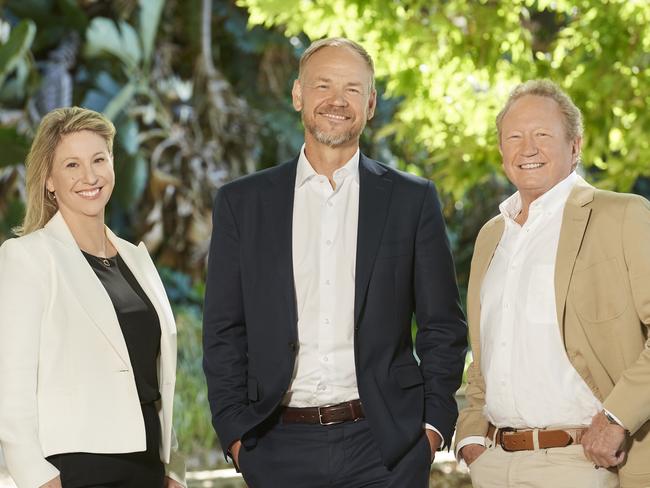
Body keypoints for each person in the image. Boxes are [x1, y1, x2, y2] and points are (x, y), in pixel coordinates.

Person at [202, 37, 467, 487]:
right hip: (275, 445)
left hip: (386, 448)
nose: (337, 101)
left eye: (351, 88)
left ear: (370, 102)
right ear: (298, 95)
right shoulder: (242, 204)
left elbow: (443, 325)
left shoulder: (411, 200)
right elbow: (224, 330)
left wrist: (432, 428)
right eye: (323, 85)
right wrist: (236, 436)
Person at [455, 79, 650, 488]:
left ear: (575, 146)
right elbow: (486, 353)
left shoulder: (623, 216)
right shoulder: (492, 236)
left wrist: (616, 419)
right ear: (502, 150)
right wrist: (471, 432)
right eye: (514, 137)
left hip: (583, 463)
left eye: (543, 135)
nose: (527, 148)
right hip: (493, 464)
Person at [0, 107, 186, 488]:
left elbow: (157, 379)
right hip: (74, 471)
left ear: (113, 164)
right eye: (71, 165)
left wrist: (174, 469)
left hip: (150, 467)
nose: (89, 176)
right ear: (49, 180)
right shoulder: (27, 258)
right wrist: (38, 479)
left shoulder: (136, 259)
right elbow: (10, 389)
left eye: (99, 159)